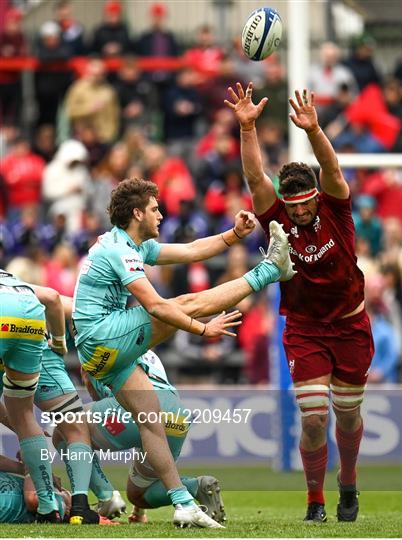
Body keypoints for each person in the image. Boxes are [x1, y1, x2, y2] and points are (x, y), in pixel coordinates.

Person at [72, 177, 295, 528]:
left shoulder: (133, 246)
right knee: (182, 304)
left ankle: (182, 502)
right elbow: (158, 308)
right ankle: (269, 270)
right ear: (136, 213)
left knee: (150, 419)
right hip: (101, 336)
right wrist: (204, 329)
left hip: (102, 353)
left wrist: (234, 235)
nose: (161, 215)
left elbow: (191, 251)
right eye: (154, 209)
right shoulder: (119, 249)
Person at [225, 82, 374, 523]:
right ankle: (315, 501)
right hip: (306, 328)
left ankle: (348, 483)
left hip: (351, 326)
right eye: (292, 207)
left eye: (305, 204)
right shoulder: (277, 214)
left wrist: (313, 130)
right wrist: (248, 128)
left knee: (347, 416)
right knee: (312, 419)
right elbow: (255, 177)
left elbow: (331, 167)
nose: (299, 212)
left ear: (315, 197)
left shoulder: (336, 208)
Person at [54, 349, 226, 525]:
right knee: (139, 494)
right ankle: (196, 487)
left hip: (130, 410)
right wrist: (139, 510)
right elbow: (144, 433)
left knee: (64, 429)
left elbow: (105, 395)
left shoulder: (97, 342)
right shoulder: (146, 350)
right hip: (176, 415)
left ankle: (106, 497)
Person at [0, 272, 67, 522]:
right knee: (24, 414)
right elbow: (51, 296)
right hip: (29, 312)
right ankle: (48, 504)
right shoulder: (10, 278)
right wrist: (59, 343)